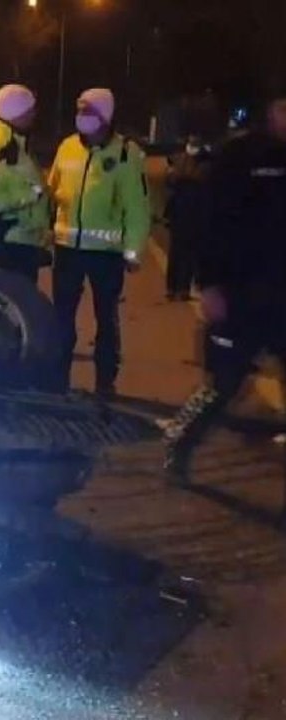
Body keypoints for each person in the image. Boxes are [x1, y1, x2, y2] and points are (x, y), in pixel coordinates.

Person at [163, 83, 286, 493]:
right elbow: (209, 224)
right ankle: (179, 443)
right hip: (240, 293)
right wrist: (210, 284)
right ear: (271, 110)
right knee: (223, 384)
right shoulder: (240, 156)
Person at [47, 88, 150, 396]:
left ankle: (105, 382)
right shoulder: (67, 147)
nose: (82, 117)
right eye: (80, 110)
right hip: (68, 249)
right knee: (62, 318)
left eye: (89, 111)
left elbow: (137, 207)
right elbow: (53, 190)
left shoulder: (125, 154)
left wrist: (133, 251)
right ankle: (57, 380)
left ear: (106, 117)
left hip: (106, 254)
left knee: (106, 319)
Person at [0, 84, 51, 283]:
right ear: (17, 113)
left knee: (19, 299)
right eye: (29, 110)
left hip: (21, 242)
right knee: (10, 299)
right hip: (5, 242)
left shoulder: (16, 143)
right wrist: (33, 193)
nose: (34, 114)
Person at [163, 135, 212, 301]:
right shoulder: (203, 164)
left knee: (178, 251)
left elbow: (170, 181)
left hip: (181, 211)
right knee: (187, 251)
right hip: (192, 211)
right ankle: (181, 288)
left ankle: (174, 288)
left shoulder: (180, 162)